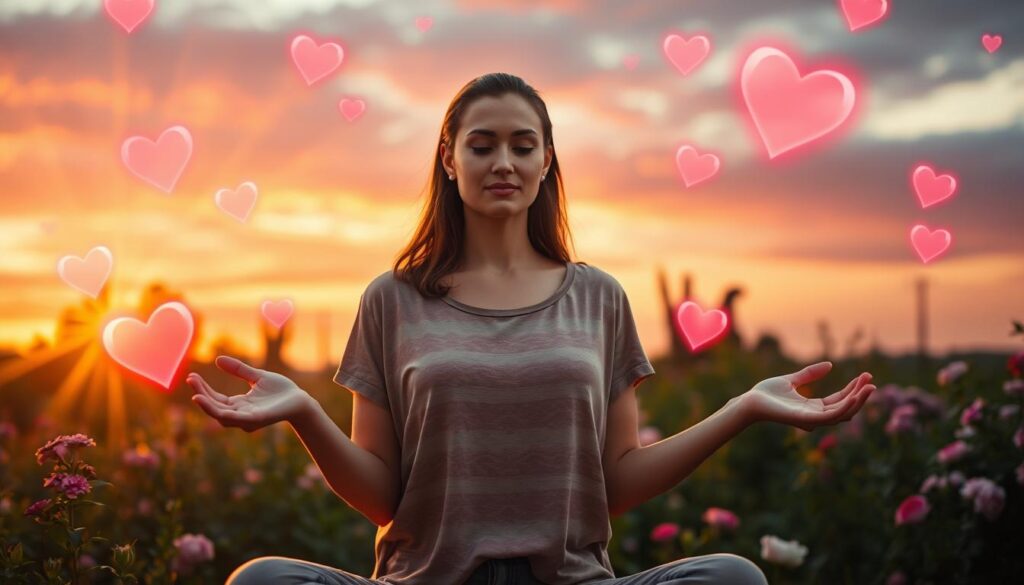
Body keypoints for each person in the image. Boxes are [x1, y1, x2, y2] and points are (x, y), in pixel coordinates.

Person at [189, 72, 875, 585]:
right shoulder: (392, 299)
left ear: (547, 161)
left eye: (523, 146)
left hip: (571, 579)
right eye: (481, 146)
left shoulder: (599, 297)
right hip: (426, 578)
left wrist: (744, 407)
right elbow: (383, 495)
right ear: (449, 159)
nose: (504, 164)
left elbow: (620, 479)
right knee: (261, 580)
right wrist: (305, 412)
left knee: (733, 578)